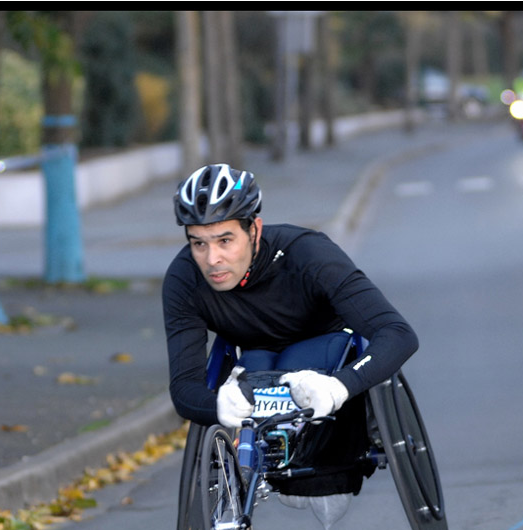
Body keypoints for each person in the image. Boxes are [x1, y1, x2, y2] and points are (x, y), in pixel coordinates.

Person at [162, 163, 419, 496]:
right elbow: (184, 387)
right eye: (199, 244)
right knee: (255, 368)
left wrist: (341, 387)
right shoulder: (184, 279)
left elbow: (398, 333)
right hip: (254, 360)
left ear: (254, 229)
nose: (212, 259)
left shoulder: (308, 253)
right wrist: (218, 406)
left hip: (323, 352)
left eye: (226, 240)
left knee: (296, 361)